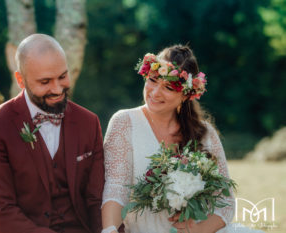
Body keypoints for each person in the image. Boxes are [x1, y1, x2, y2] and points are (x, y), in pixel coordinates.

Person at [101, 45, 264, 233]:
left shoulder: (206, 133)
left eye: (169, 87)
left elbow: (226, 202)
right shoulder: (124, 122)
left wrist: (199, 229)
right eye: (153, 80)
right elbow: (115, 188)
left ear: (186, 94)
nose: (155, 93)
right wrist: (110, 230)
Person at [0, 34, 105, 233]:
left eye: (62, 76)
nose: (58, 89)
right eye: (45, 82)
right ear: (20, 80)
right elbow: (1, 210)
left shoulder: (89, 122)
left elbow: (96, 200)